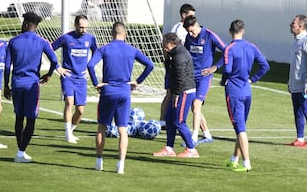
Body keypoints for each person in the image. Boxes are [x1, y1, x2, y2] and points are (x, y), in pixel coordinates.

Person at [87, 22, 153, 174]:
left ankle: (99, 161)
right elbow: (150, 65)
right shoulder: (131, 49)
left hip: (108, 91)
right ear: (125, 34)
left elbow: (90, 65)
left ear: (111, 33)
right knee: (123, 129)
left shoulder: (104, 49)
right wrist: (137, 81)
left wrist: (97, 83)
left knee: (102, 127)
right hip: (124, 92)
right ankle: (120, 165)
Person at [4, 12, 69, 163]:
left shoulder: (13, 41)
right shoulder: (42, 42)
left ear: (26, 24)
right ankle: (21, 152)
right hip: (32, 85)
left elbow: (7, 66)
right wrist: (49, 75)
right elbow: (54, 61)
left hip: (17, 83)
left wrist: (6, 85)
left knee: (19, 117)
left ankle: (20, 150)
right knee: (31, 119)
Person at [213, 19, 269, 172]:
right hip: (247, 92)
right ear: (243, 30)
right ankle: (234, 159)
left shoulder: (229, 49)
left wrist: (223, 81)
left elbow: (228, 70)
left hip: (234, 93)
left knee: (240, 130)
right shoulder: (252, 47)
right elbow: (265, 66)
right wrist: (253, 79)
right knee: (241, 126)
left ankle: (247, 164)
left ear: (230, 31)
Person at [52, 14, 97, 144]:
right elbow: (49, 49)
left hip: (82, 78)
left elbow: (97, 53)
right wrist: (57, 67)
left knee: (80, 110)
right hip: (68, 76)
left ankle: (70, 131)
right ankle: (67, 134)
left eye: (86, 27)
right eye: (81, 27)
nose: (84, 30)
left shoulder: (90, 39)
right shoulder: (66, 38)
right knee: (69, 102)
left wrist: (90, 68)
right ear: (76, 25)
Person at [153, 32, 199, 158]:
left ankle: (191, 149)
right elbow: (171, 72)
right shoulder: (173, 55)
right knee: (169, 118)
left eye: (165, 44)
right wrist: (167, 58)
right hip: (178, 90)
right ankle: (169, 148)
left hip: (184, 91)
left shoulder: (180, 56)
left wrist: (177, 94)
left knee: (179, 121)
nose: (163, 46)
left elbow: (180, 77)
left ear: (172, 43)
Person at [183, 15, 226, 145]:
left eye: (192, 31)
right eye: (188, 32)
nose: (191, 34)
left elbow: (227, 51)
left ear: (197, 25)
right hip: (190, 76)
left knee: (196, 106)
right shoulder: (188, 37)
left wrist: (215, 67)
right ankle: (207, 134)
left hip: (204, 77)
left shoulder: (210, 35)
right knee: (194, 107)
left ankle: (193, 138)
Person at [159, 3, 196, 129]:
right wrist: (169, 64)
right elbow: (167, 46)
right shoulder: (177, 29)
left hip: (183, 66)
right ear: (183, 15)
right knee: (170, 93)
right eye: (191, 15)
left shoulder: (190, 29)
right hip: (175, 67)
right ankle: (162, 121)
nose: (193, 18)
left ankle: (172, 119)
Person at [287, 14, 307, 148]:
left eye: (293, 23)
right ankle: (300, 138)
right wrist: (290, 83)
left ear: (300, 26)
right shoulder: (296, 42)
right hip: (295, 85)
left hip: (306, 85)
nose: (291, 25)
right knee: (297, 111)